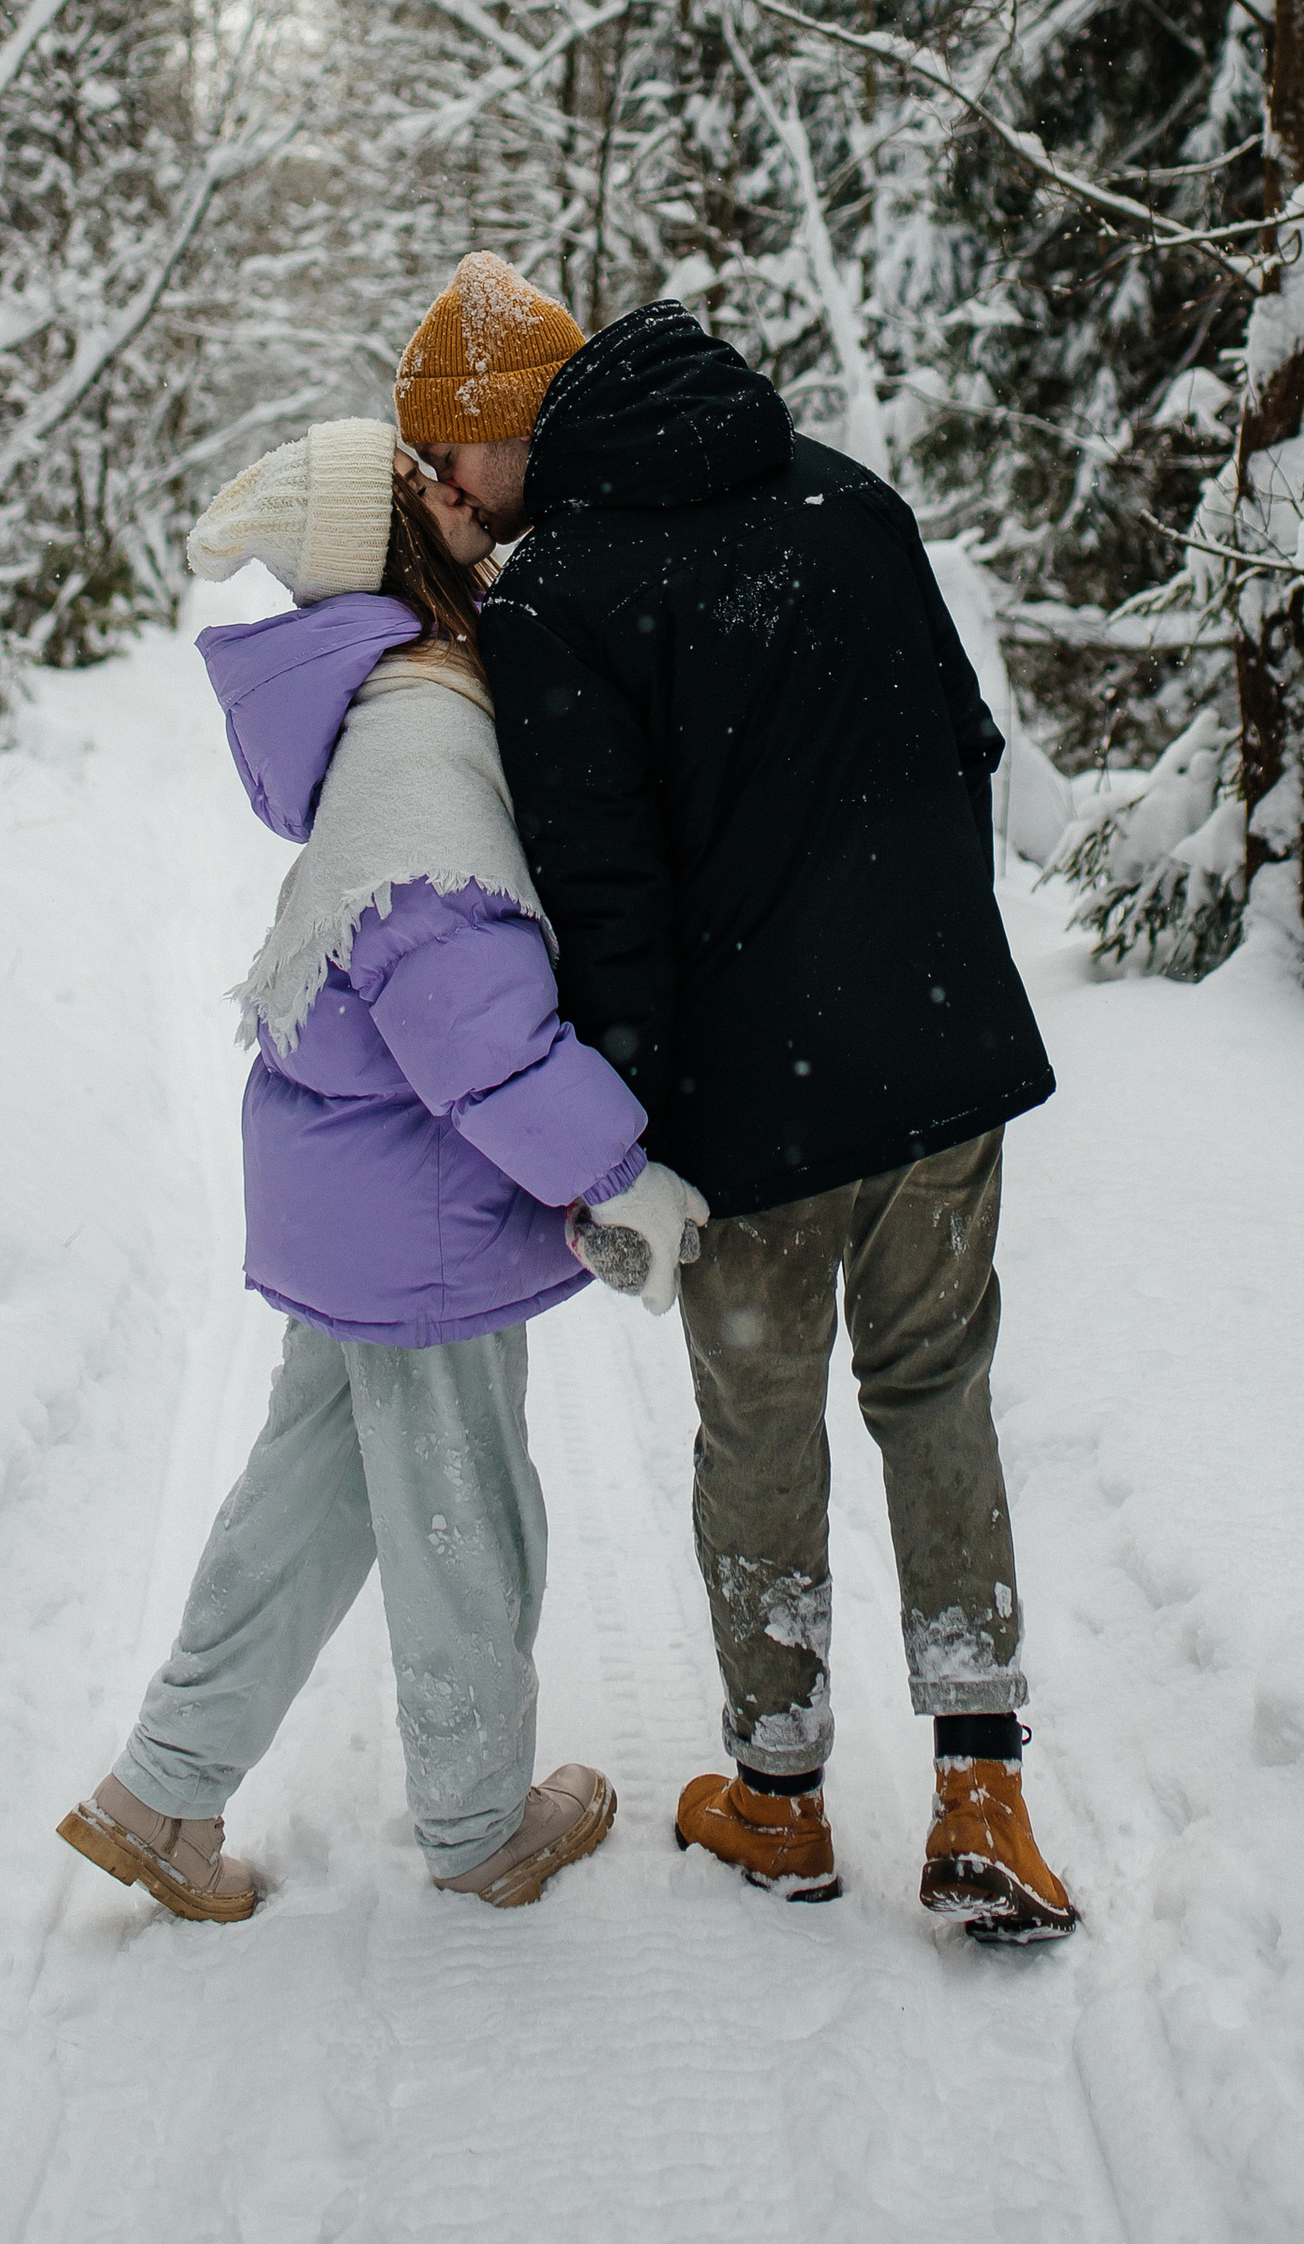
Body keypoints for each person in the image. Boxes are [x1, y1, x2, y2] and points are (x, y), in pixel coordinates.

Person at [395, 254, 1080, 1943]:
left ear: (505, 441)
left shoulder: (558, 588)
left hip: (753, 1107)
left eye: (443, 458)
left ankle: (778, 1797)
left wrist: (614, 1143)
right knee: (937, 1395)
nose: (437, 493)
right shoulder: (849, 497)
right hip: (936, 1060)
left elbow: (605, 898)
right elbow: (965, 744)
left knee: (761, 1428)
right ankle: (983, 1791)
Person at [57, 417, 647, 1924]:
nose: (462, 493)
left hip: (360, 1185)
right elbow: (469, 1017)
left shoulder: (392, 694)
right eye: (428, 491)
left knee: (310, 1503)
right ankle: (479, 1823)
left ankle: (162, 1792)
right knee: (465, 1516)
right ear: (395, 543)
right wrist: (618, 1171)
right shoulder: (419, 728)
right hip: (422, 1203)